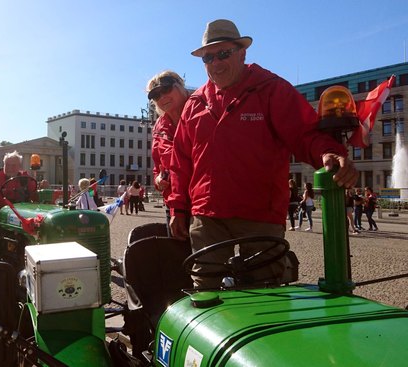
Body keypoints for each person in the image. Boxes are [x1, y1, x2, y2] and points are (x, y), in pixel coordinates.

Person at [168, 19, 358, 288]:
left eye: (224, 54)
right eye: (209, 57)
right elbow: (181, 161)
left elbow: (304, 132)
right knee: (205, 291)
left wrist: (328, 151)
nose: (216, 63)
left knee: (265, 292)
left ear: (242, 53)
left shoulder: (272, 89)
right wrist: (178, 207)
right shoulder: (195, 103)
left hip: (259, 215)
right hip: (207, 216)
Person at [147, 71, 190, 229]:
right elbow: (158, 166)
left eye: (166, 90)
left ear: (180, 85)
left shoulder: (201, 112)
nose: (162, 97)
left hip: (200, 203)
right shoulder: (160, 125)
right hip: (173, 204)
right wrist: (159, 179)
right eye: (156, 96)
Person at [0, 151, 38, 243]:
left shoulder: (25, 179)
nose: (10, 168)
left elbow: (35, 194)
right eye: (7, 165)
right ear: (3, 164)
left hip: (20, 212)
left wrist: (42, 189)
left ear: (19, 166)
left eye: (14, 165)